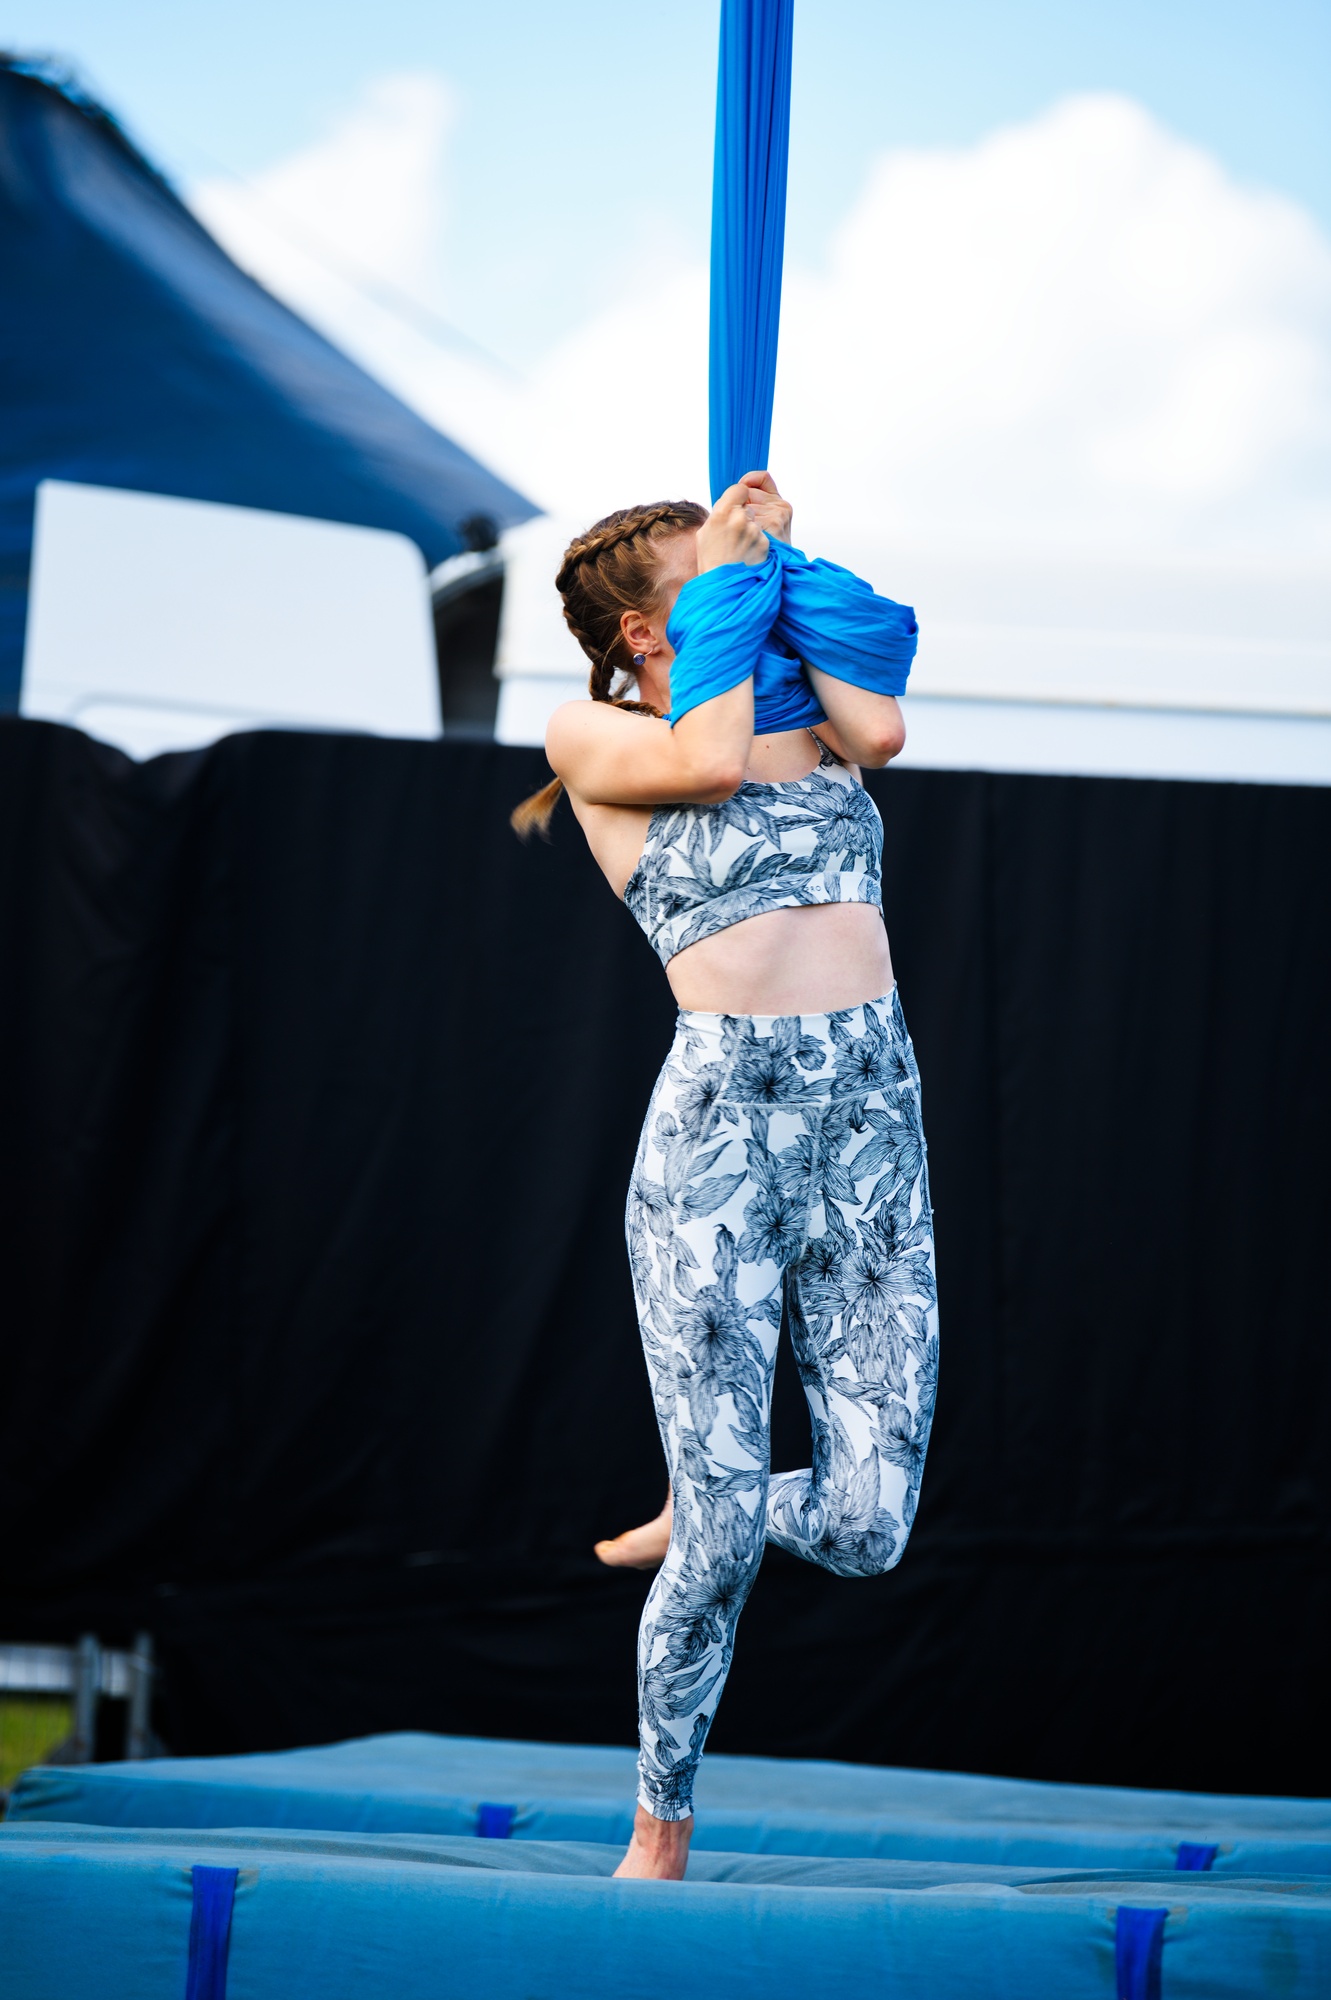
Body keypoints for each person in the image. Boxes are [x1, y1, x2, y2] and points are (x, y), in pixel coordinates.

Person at [512, 473, 938, 1880]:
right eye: (711, 577)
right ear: (646, 632)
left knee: (869, 1531)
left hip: (871, 1122)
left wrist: (779, 568)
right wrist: (736, 579)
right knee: (719, 1554)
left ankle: (721, 1498)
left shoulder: (803, 716)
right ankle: (660, 1825)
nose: (742, 584)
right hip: (722, 1138)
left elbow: (884, 728)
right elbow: (702, 764)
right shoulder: (596, 735)